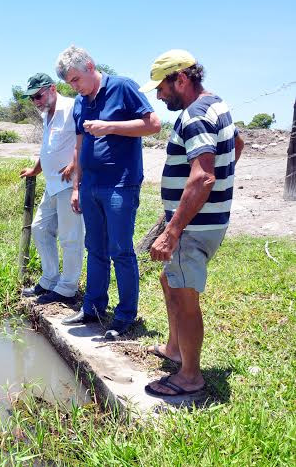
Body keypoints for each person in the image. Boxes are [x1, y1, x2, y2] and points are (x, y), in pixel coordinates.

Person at [139, 50, 244, 397]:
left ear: (180, 79)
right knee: (169, 280)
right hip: (205, 220)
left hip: (194, 226)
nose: (158, 96)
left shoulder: (195, 115)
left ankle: (189, 376)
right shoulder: (216, 104)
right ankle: (173, 349)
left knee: (185, 296)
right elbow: (237, 142)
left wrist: (172, 230)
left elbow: (202, 179)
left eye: (162, 88)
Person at [55, 46, 161, 339]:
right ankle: (94, 307)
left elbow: (153, 125)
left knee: (121, 250)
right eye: (70, 83)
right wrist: (76, 186)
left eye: (76, 79)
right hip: (90, 185)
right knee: (95, 248)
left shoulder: (123, 87)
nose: (74, 87)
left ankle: (126, 316)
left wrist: (110, 127)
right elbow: (79, 145)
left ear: (90, 66)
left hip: (120, 183)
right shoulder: (80, 101)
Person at [20, 73, 85, 304]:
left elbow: (84, 139)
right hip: (52, 185)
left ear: (53, 89)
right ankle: (49, 279)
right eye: (32, 98)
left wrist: (74, 164)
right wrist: (36, 169)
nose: (36, 101)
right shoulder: (47, 113)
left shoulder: (72, 106)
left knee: (70, 238)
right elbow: (47, 147)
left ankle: (67, 288)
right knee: (39, 228)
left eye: (39, 95)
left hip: (70, 184)